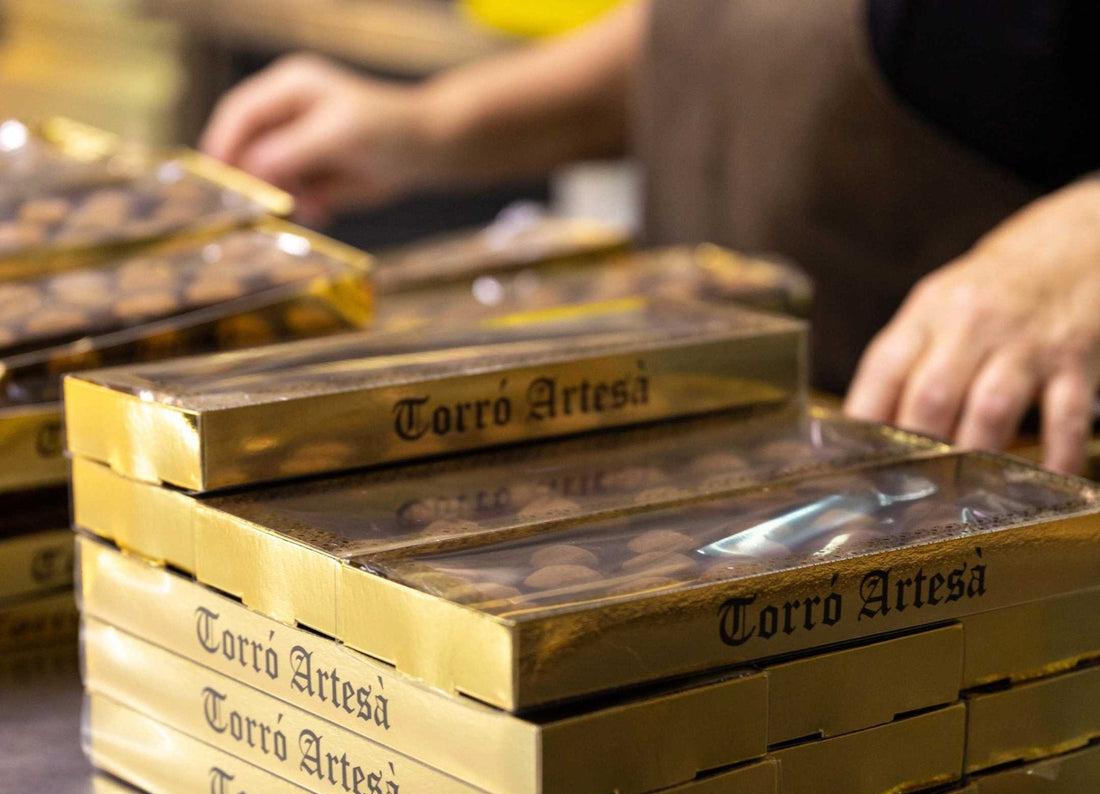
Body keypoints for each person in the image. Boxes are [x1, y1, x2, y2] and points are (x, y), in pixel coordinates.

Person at [201, 0, 1100, 474]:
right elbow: (734, 31)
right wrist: (437, 124)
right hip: (732, 475)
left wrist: (1077, 242)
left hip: (994, 525)